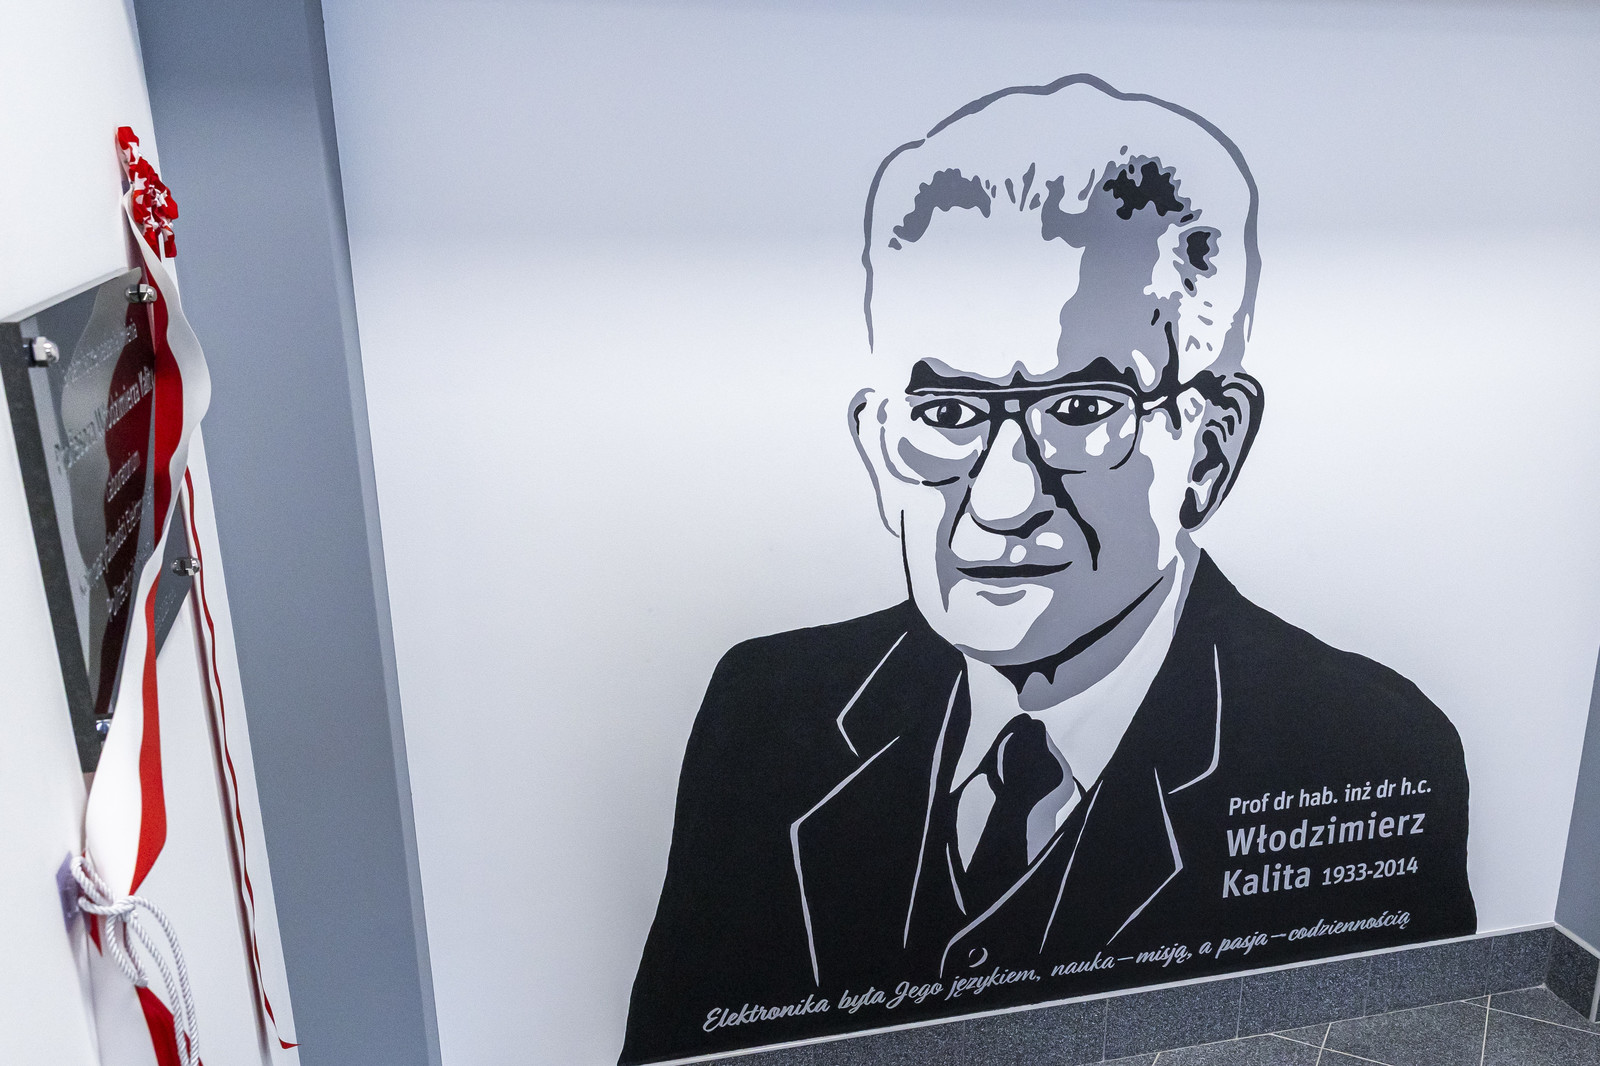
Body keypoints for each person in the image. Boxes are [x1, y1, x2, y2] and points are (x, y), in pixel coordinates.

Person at [620, 74, 1474, 1066]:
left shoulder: (1360, 748)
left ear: (1209, 449)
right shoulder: (767, 716)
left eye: (1079, 410)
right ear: (878, 446)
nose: (1001, 497)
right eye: (947, 414)